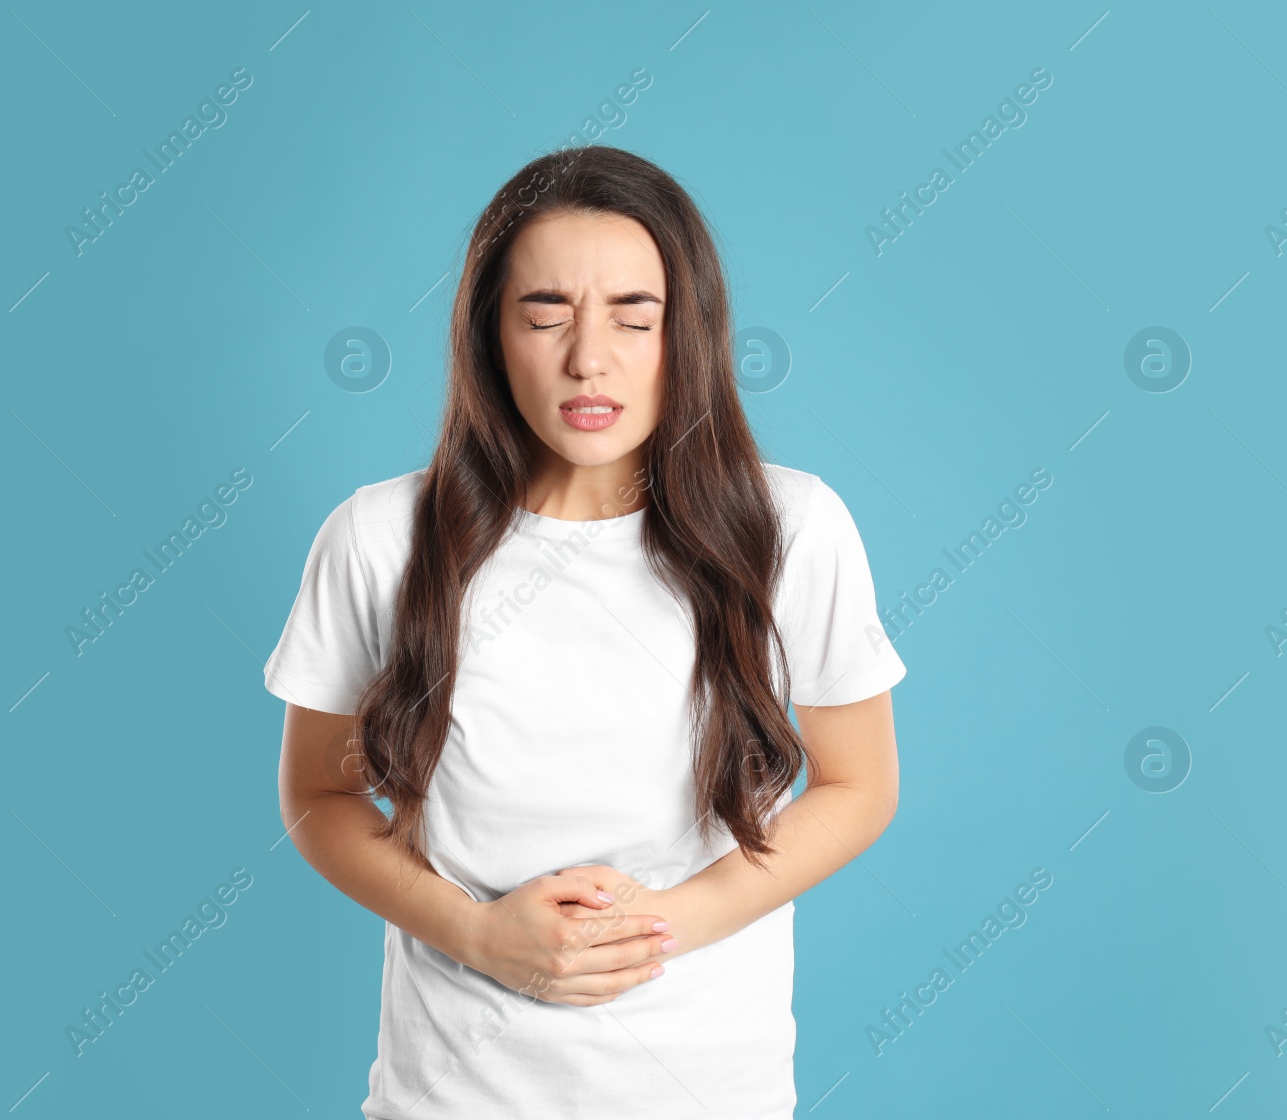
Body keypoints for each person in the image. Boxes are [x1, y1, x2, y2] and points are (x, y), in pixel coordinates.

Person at [264, 144, 906, 1119]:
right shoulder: (379, 538)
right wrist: (477, 935)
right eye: (545, 312)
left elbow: (859, 785)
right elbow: (318, 793)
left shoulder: (793, 529)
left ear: (683, 332)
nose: (586, 356)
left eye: (632, 315)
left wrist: (669, 922)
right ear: (489, 332)